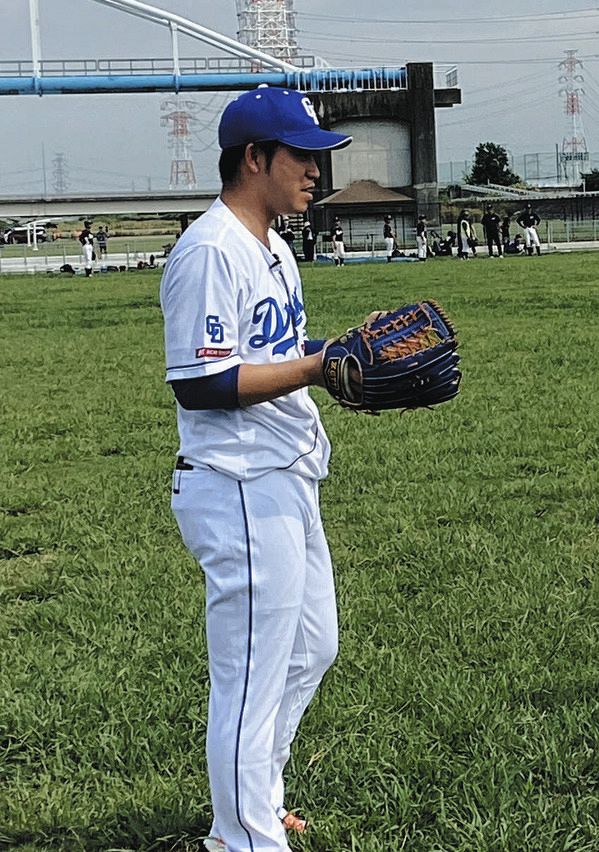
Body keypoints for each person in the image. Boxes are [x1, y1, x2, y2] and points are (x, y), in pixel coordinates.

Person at [159, 86, 355, 852]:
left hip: (287, 473)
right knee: (249, 674)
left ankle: (258, 801)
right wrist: (317, 367)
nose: (315, 170)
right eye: (301, 155)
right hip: (235, 482)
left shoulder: (274, 247)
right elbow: (200, 383)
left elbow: (273, 358)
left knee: (313, 647)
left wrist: (329, 367)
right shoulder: (211, 249)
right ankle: (240, 840)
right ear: (254, 158)